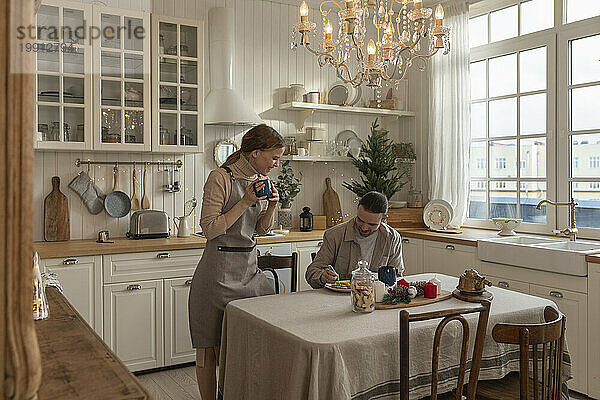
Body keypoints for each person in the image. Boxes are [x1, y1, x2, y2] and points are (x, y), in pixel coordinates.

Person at [188, 124, 285, 399]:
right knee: (208, 349)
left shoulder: (260, 181)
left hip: (249, 272)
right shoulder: (219, 178)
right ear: (255, 153)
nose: (276, 164)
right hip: (216, 275)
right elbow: (210, 228)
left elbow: (261, 230)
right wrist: (245, 201)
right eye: (273, 157)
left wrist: (273, 206)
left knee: (252, 342)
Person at [305, 191, 404, 288]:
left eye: (371, 224)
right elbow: (312, 272)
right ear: (357, 211)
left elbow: (397, 276)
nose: (364, 228)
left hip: (376, 297)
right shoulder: (334, 235)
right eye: (360, 220)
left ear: (383, 219)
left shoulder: (392, 238)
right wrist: (322, 277)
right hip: (337, 298)